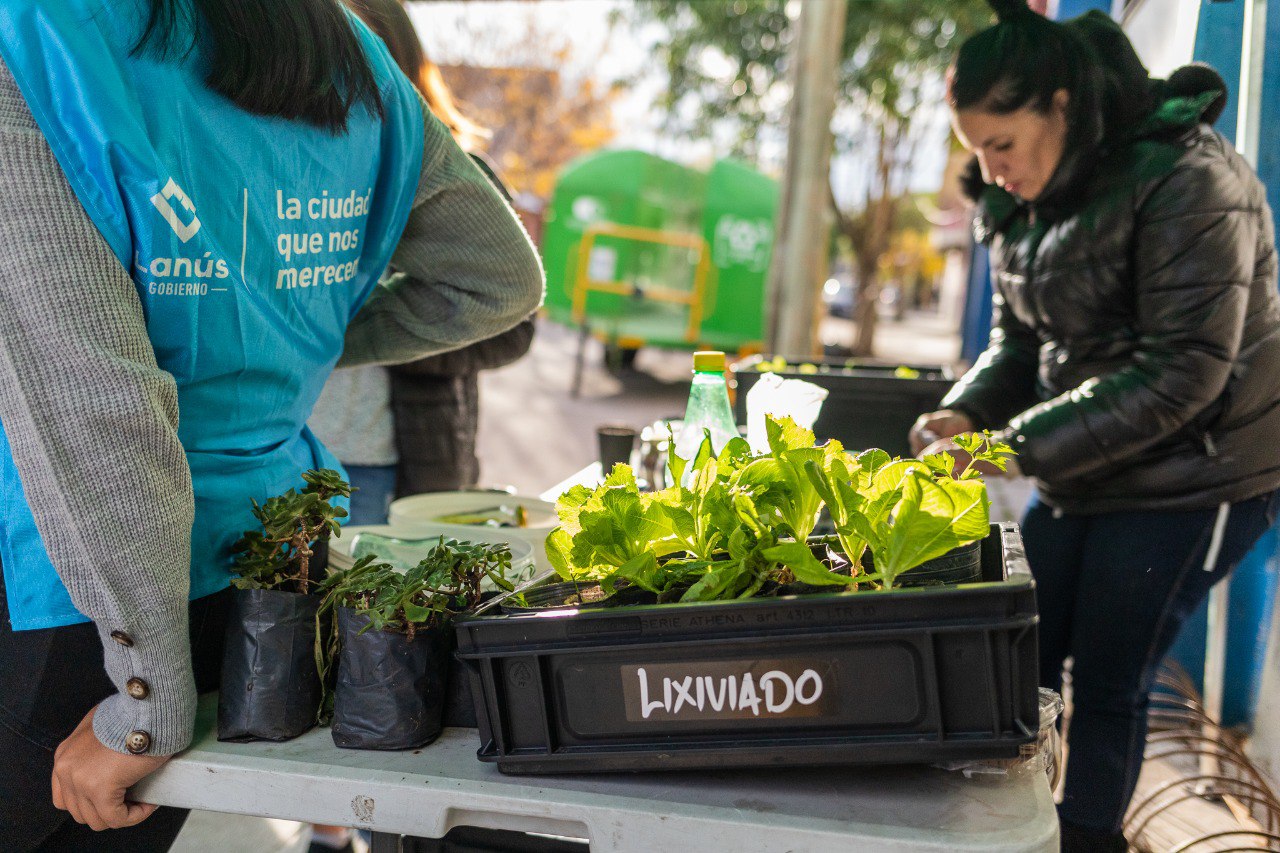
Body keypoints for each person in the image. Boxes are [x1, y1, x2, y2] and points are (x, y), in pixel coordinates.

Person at [0, 0, 543, 848]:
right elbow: (498, 278)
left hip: (89, 603)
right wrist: (297, 340)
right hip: (257, 574)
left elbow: (94, 401)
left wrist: (143, 704)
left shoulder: (38, 34)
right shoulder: (345, 46)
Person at [911, 1, 1280, 849]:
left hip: (1202, 469)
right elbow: (1020, 340)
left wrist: (1007, 448)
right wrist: (966, 409)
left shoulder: (1187, 176)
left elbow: (1185, 369)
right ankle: (1006, 828)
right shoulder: (1028, 199)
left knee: (1112, 678)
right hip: (1091, 464)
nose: (993, 168)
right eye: (978, 150)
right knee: (1020, 657)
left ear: (1064, 105)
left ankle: (1084, 839)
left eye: (1003, 143)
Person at [309, 0, 536, 524]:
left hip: (390, 460)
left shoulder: (456, 177)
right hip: (287, 452)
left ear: (398, 62)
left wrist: (395, 335)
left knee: (376, 605)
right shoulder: (300, 163)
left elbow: (515, 327)